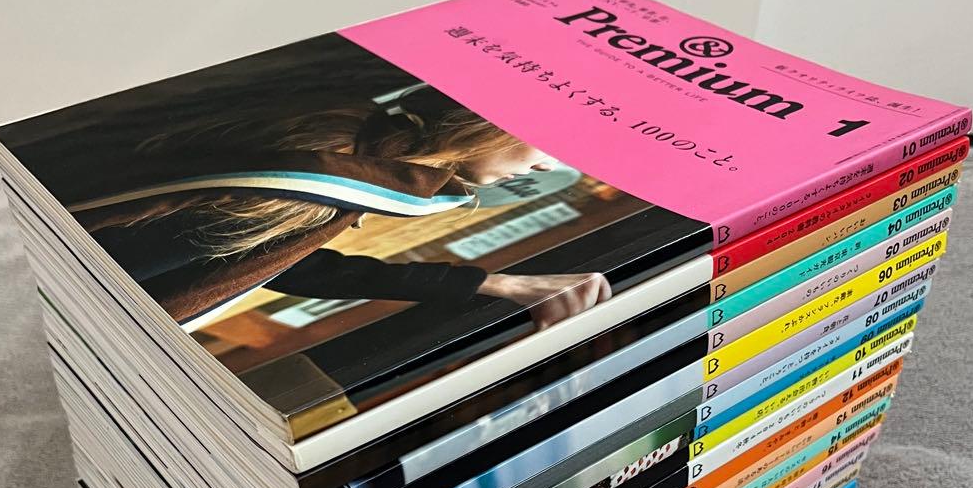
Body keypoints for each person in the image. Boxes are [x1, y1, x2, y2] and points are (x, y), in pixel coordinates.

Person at [59, 84, 612, 330]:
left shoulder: (353, 140)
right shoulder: (326, 176)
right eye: (551, 143)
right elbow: (105, 269)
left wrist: (494, 284)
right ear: (492, 119)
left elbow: (266, 259)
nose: (548, 166)